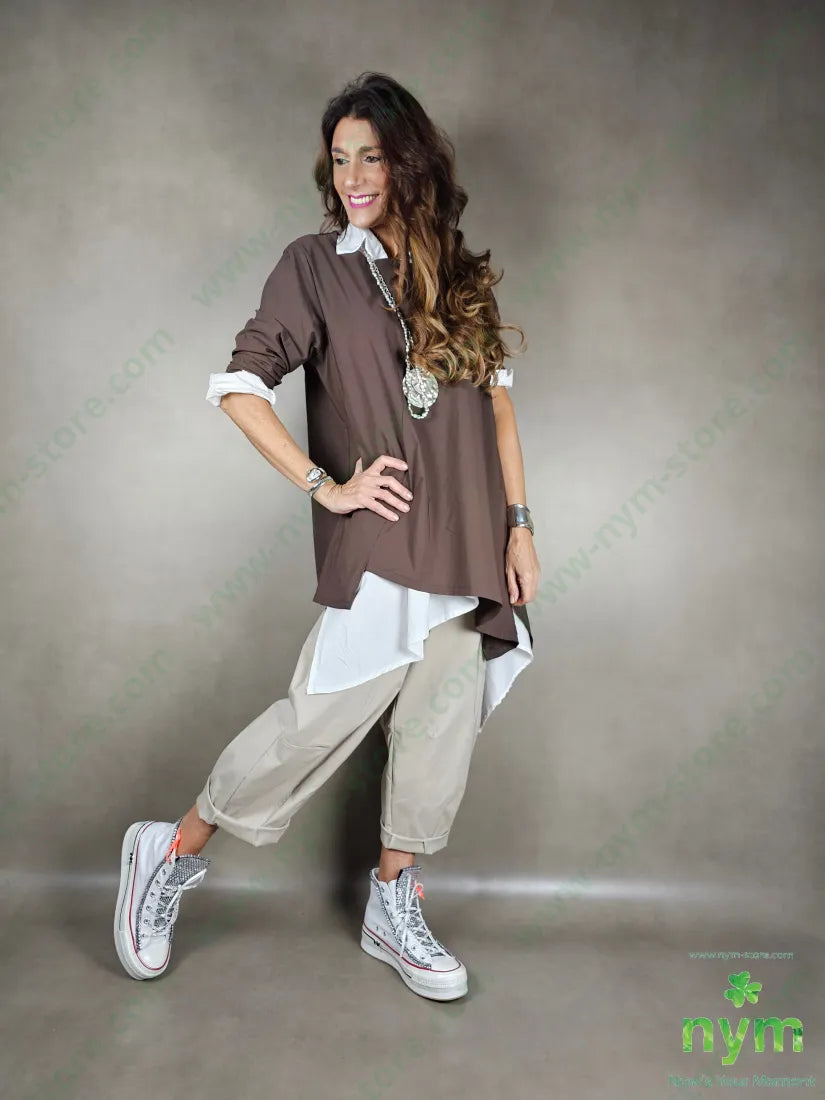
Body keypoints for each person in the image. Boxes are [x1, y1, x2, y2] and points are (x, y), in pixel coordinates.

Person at [114, 71, 541, 1002]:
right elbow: (239, 386)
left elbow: (498, 411)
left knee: (436, 735)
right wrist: (327, 486)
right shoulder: (314, 265)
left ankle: (392, 899)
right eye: (340, 159)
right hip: (385, 540)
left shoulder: (456, 275)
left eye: (371, 157)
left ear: (409, 164)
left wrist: (518, 526)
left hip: (470, 543)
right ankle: (169, 850)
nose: (351, 176)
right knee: (314, 724)